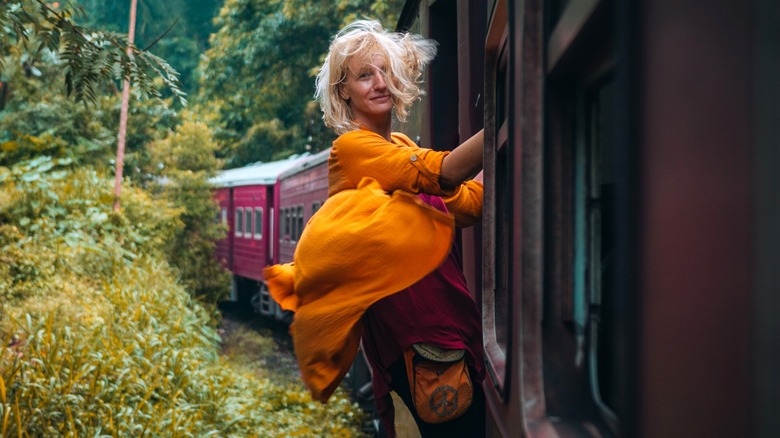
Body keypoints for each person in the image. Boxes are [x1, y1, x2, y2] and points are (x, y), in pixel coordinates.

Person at [265, 19, 485, 437]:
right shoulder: (351, 150)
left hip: (453, 332)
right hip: (416, 346)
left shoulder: (402, 149)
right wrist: (508, 116)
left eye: (385, 71)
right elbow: (447, 171)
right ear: (343, 90)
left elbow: (470, 205)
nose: (380, 83)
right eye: (365, 75)